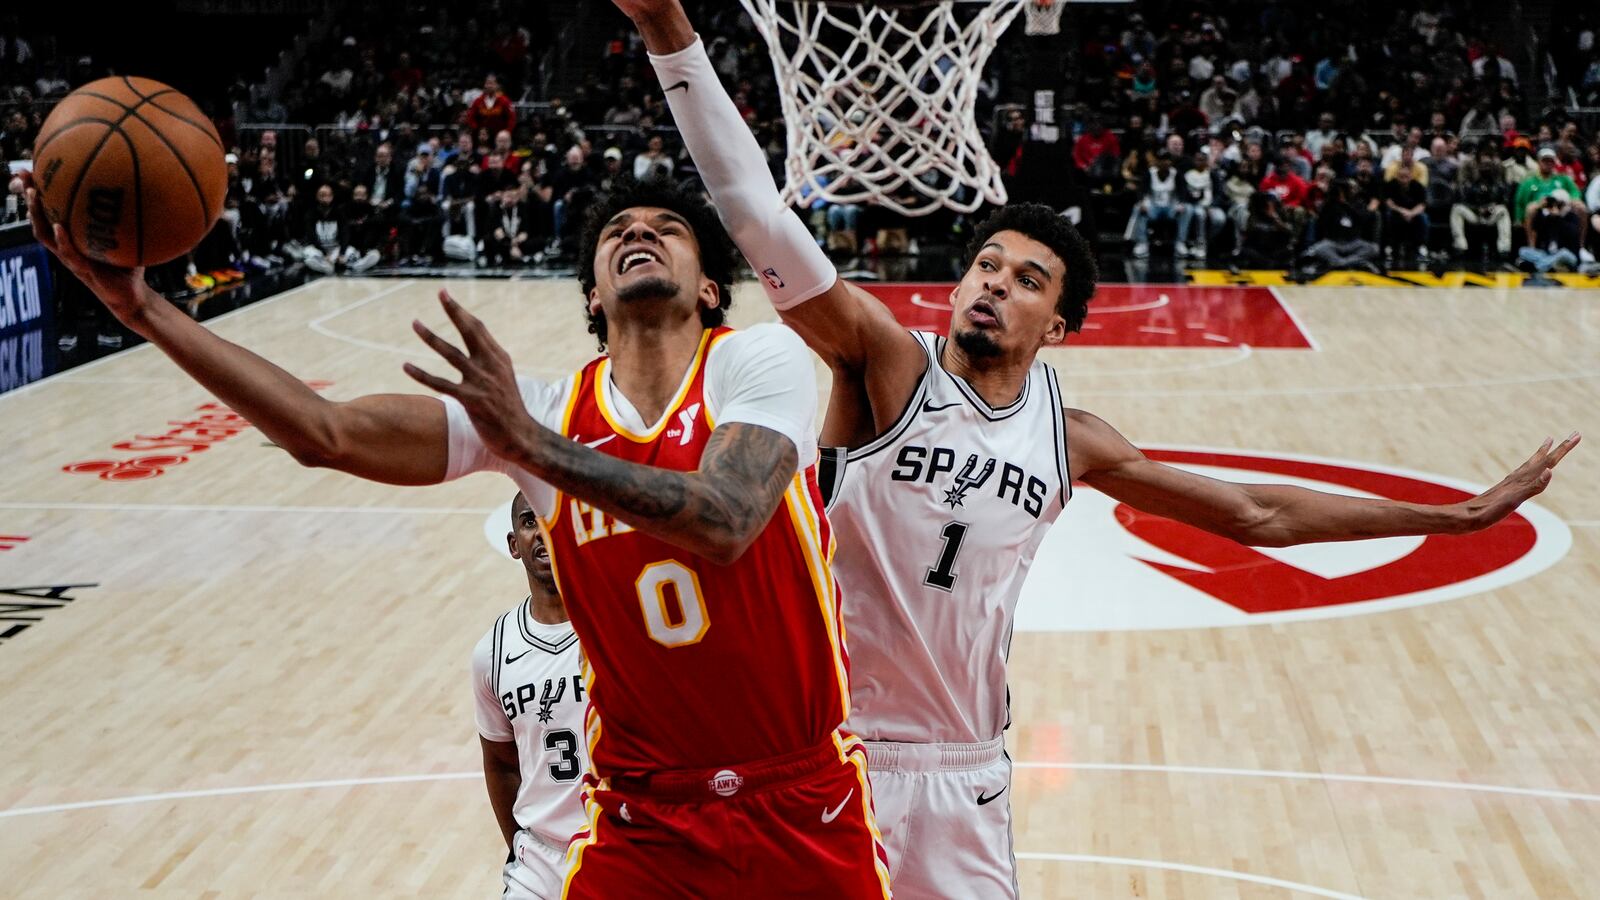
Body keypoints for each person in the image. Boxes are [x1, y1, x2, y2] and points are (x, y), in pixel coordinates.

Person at [628, 0, 1580, 895]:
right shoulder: (884, 367)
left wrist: (1452, 517)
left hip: (965, 771)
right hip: (825, 755)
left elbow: (1259, 514)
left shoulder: (1070, 440)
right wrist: (671, 31)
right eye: (984, 266)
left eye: (1027, 278)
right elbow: (754, 211)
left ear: (1061, 323)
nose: (994, 285)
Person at [23, 161, 891, 896]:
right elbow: (323, 433)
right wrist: (145, 313)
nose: (641, 231)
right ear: (592, 291)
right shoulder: (543, 413)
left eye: (669, 225)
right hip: (644, 813)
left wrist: (533, 448)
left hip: (801, 800)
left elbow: (730, 518)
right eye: (617, 227)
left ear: (710, 287)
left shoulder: (752, 361)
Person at [475, 492, 587, 900]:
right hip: (538, 859)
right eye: (528, 521)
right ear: (513, 543)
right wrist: (517, 848)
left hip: (616, 848)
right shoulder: (492, 652)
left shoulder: (616, 630)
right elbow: (501, 765)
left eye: (550, 518)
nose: (541, 531)